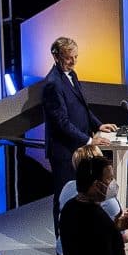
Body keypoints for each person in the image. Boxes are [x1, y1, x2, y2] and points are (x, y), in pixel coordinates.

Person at [42, 36, 116, 189]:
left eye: (75, 57)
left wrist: (98, 125)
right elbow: (62, 123)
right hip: (64, 150)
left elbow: (82, 107)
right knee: (65, 194)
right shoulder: (53, 84)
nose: (73, 61)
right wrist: (89, 141)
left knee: (81, 192)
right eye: (68, 58)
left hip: (77, 146)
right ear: (56, 57)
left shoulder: (72, 74)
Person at [53, 144, 128, 255]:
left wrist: (116, 223)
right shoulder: (104, 206)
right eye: (109, 178)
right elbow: (117, 237)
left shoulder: (67, 191)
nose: (112, 182)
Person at [57, 148, 128, 255]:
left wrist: (115, 228)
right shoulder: (98, 219)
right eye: (109, 179)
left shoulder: (69, 208)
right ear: (96, 185)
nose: (113, 183)